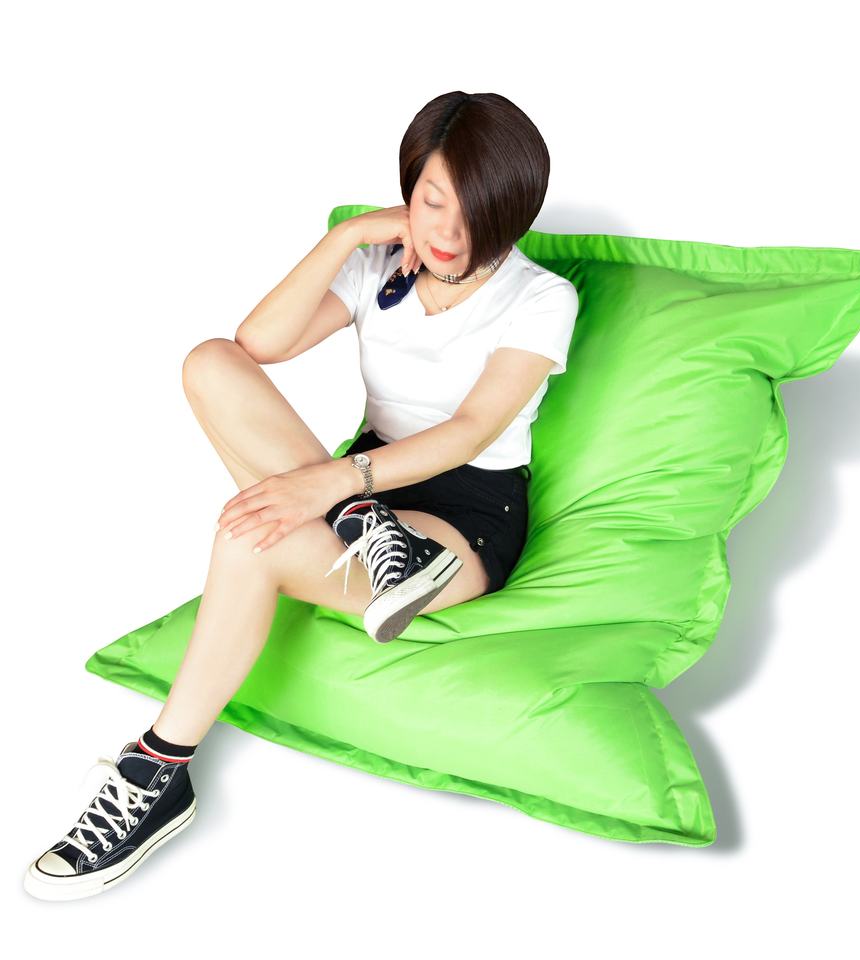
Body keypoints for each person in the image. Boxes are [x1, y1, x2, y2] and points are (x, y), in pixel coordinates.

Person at [23, 90, 579, 901]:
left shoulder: (540, 297)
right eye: (432, 201)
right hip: (364, 494)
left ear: (514, 212)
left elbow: (468, 433)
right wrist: (349, 236)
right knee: (209, 360)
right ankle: (363, 526)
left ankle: (157, 770)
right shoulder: (380, 264)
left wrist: (336, 479)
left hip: (459, 525)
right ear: (408, 191)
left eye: (477, 213)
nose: (449, 233)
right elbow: (259, 343)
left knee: (248, 536)